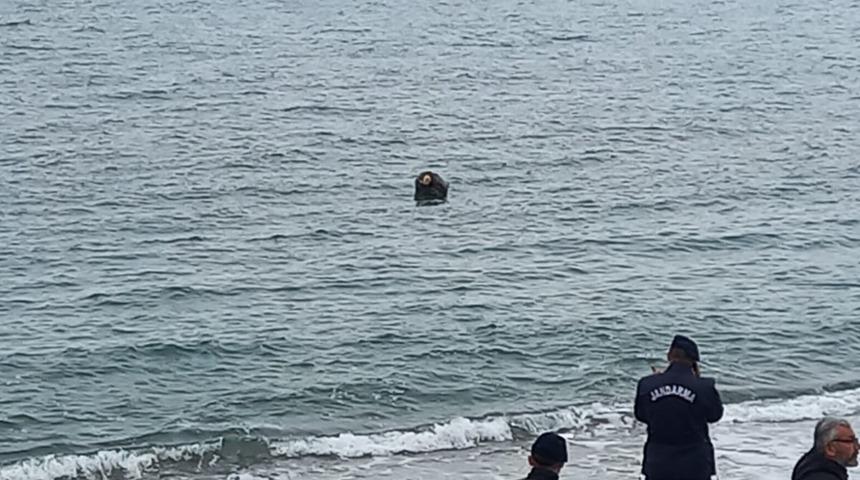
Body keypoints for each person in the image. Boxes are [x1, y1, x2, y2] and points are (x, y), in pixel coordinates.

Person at [634, 334, 724, 480]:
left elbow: (641, 415)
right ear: (694, 362)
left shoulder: (647, 383)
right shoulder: (704, 386)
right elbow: (715, 415)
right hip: (696, 463)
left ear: (669, 355)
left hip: (658, 461)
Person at [792, 417, 859, 480]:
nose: (857, 447)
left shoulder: (808, 464)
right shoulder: (821, 476)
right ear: (830, 449)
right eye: (850, 441)